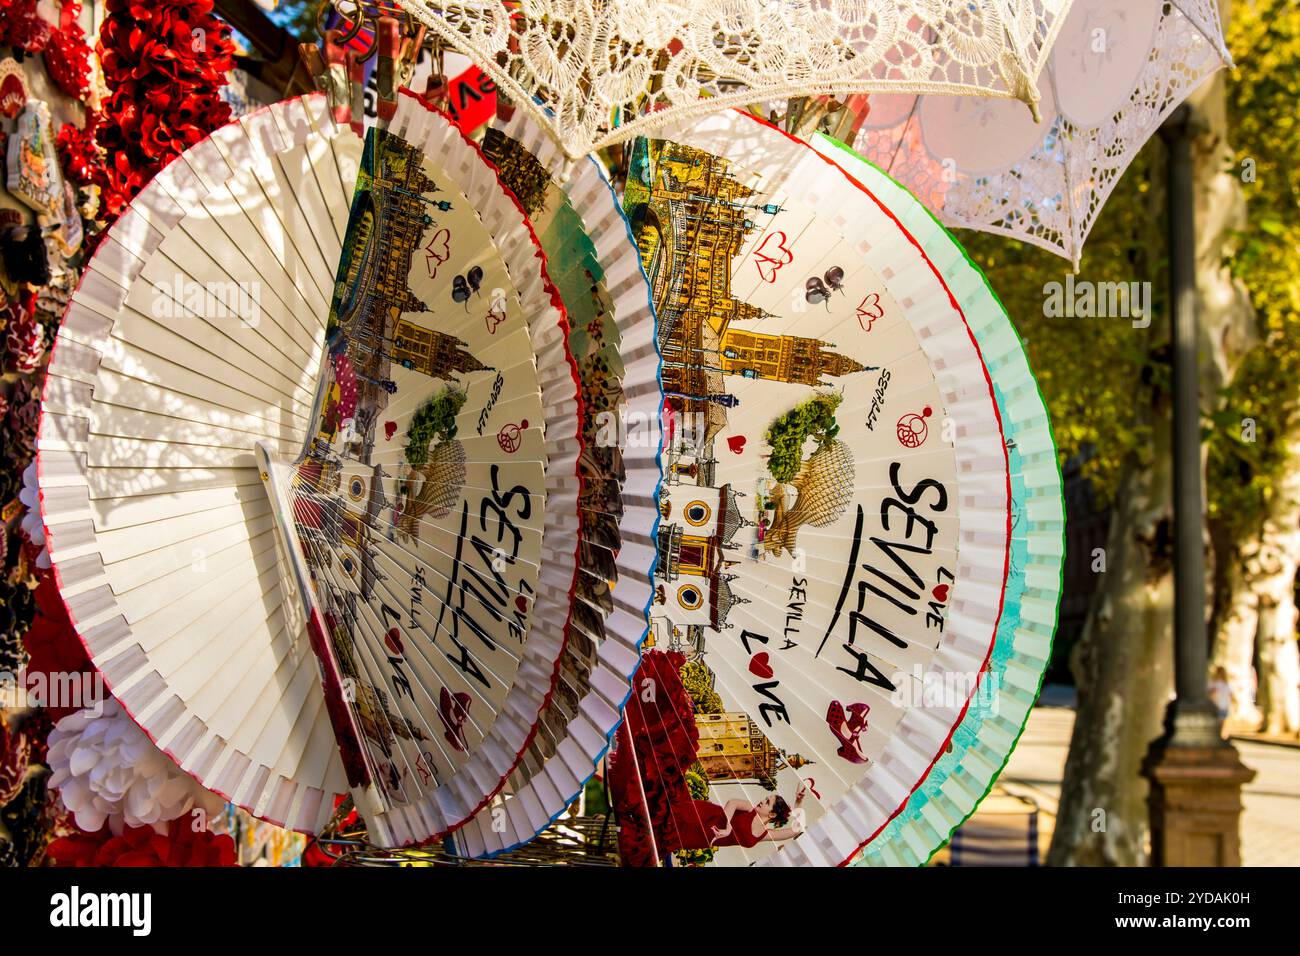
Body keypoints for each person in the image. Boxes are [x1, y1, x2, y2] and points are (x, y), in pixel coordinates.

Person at [669, 783, 809, 850]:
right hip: (702, 817)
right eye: (765, 798)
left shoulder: (765, 834)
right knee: (667, 820)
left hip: (703, 839)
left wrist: (799, 801)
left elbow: (796, 829)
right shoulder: (750, 808)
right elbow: (732, 803)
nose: (762, 801)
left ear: (772, 814)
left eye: (767, 802)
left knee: (666, 841)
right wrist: (728, 827)